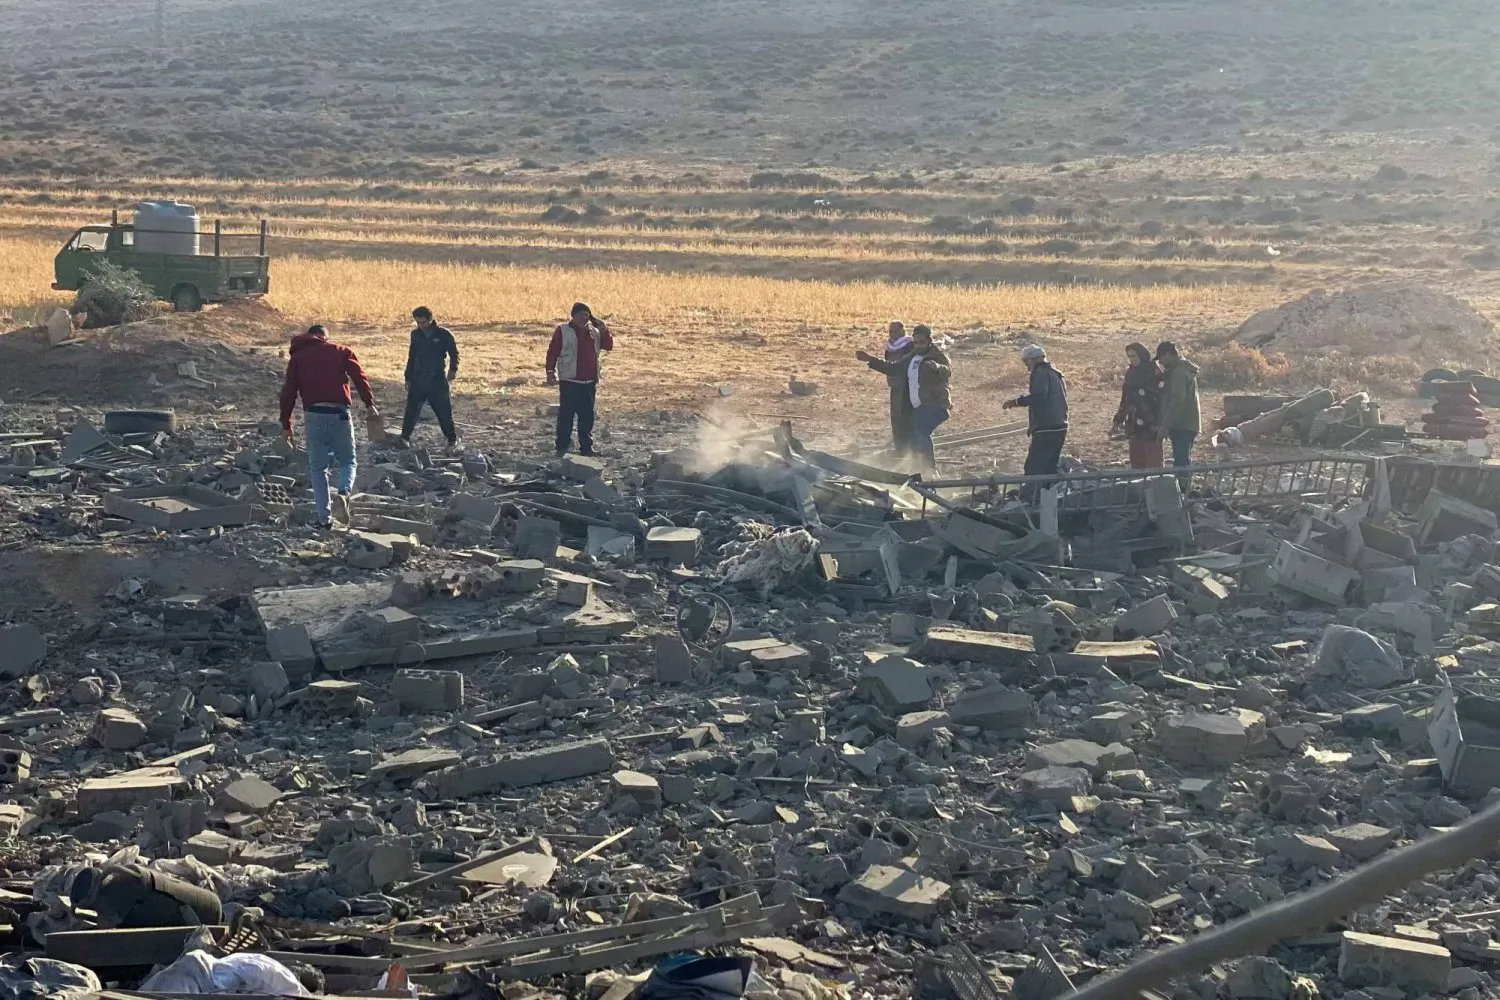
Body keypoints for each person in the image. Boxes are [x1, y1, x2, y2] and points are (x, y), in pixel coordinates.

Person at [278, 324, 378, 529]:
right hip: (339, 413)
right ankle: (343, 493)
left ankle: (324, 520)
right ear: (324, 337)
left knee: (318, 469)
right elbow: (359, 377)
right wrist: (370, 405)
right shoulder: (340, 351)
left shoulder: (298, 358)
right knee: (348, 461)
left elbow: (288, 392)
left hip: (314, 414)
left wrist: (286, 424)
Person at [546, 302, 614, 457]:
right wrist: (550, 372)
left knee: (587, 417)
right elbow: (553, 352)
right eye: (580, 315)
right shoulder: (563, 331)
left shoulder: (595, 332)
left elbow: (608, 346)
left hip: (589, 382)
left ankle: (586, 448)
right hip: (569, 380)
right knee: (566, 416)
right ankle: (562, 446)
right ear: (573, 316)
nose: (583, 318)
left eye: (586, 315)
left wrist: (604, 329)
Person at [1002, 344, 1069, 495]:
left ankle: (1030, 499)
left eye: (1027, 362)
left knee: (1034, 467)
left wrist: (1016, 402)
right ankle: (1047, 499)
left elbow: (1039, 397)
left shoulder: (1040, 372)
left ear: (1033, 359)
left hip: (1047, 428)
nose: (1026, 367)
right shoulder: (1056, 373)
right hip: (1060, 426)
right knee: (1050, 467)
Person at [400, 306, 459, 450]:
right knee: (411, 411)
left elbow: (454, 353)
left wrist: (453, 369)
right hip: (418, 379)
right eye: (418, 323)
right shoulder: (415, 335)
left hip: (437, 379)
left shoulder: (443, 334)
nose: (421, 326)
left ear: (430, 319)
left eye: (423, 322)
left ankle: (452, 439)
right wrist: (407, 377)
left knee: (443, 412)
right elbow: (412, 357)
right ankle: (404, 438)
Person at [855, 321, 914, 456]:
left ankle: (911, 452)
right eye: (890, 331)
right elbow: (889, 366)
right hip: (895, 386)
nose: (892, 334)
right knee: (896, 419)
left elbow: (895, 367)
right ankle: (900, 450)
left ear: (903, 331)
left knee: (906, 418)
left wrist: (871, 359)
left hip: (907, 387)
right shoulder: (890, 348)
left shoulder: (909, 345)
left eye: (895, 331)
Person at [1113, 342, 1166, 469]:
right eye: (1129, 356)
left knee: (1153, 459)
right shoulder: (1131, 373)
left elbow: (1163, 397)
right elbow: (1125, 398)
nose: (1132, 359)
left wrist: (1162, 422)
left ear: (1142, 355)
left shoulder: (1155, 371)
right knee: (1137, 459)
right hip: (1134, 422)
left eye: (1134, 356)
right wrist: (1118, 419)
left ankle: (1155, 487)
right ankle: (1140, 486)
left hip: (1152, 421)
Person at [1155, 341, 1201, 471]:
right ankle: (1184, 487)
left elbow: (1178, 401)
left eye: (1161, 358)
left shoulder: (1178, 373)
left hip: (1182, 423)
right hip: (1188, 422)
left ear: (1169, 354)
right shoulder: (1182, 369)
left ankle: (1183, 489)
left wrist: (1166, 425)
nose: (1161, 362)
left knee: (1181, 462)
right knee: (1183, 459)